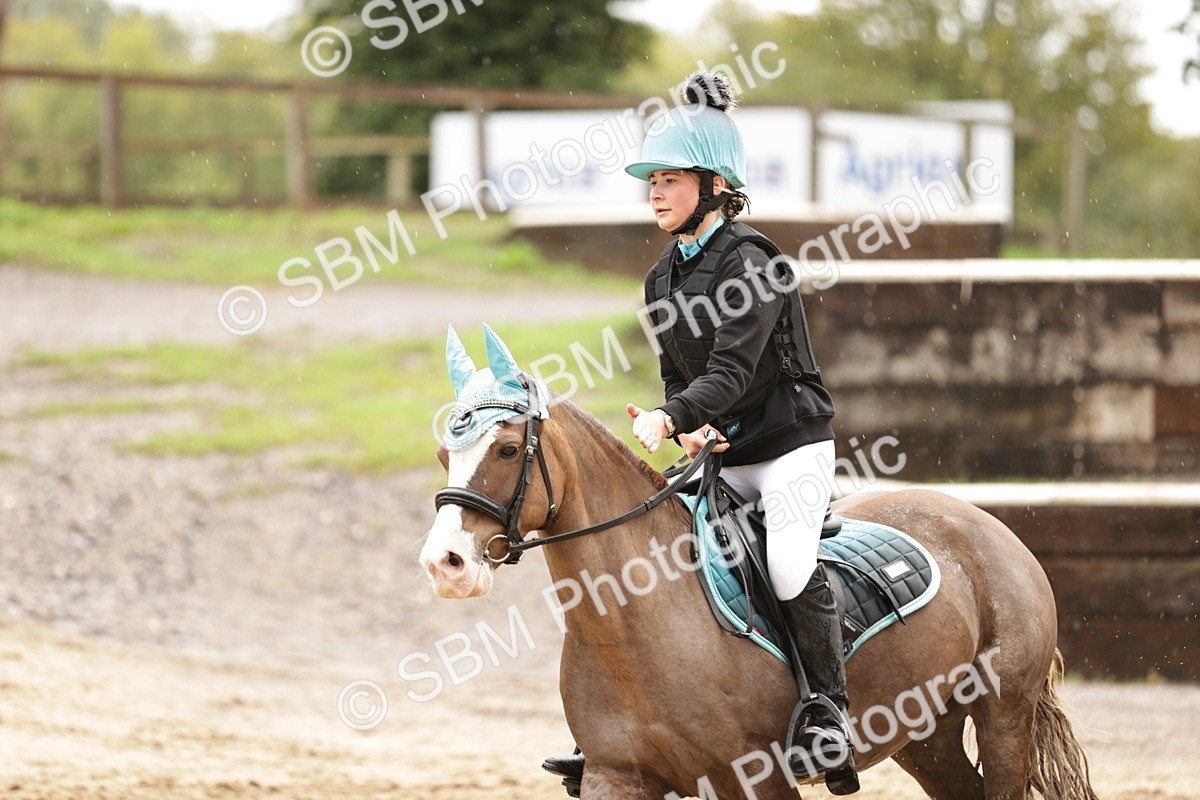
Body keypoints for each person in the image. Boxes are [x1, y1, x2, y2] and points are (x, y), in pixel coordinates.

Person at [541, 71, 857, 797]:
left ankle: (827, 712)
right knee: (647, 562)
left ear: (715, 185)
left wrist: (672, 418)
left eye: (670, 179)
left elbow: (734, 372)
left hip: (791, 449)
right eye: (651, 180)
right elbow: (679, 376)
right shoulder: (661, 278)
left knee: (783, 567)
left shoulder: (756, 262)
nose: (654, 191)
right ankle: (621, 727)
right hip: (723, 455)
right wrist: (684, 422)